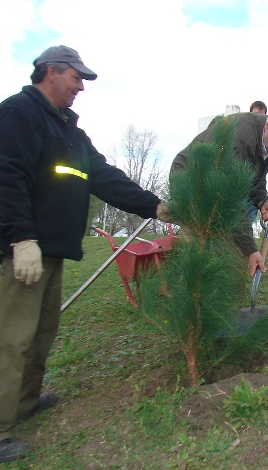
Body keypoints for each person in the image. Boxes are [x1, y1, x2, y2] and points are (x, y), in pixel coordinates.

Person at [0, 46, 167, 463]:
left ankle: (23, 403)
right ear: (51, 72)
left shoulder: (70, 132)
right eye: (77, 78)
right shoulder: (19, 114)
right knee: (11, 337)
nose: (80, 87)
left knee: (41, 331)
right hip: (22, 250)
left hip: (51, 250)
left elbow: (105, 177)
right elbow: (6, 175)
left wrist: (155, 206)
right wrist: (20, 238)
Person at [171, 110, 268, 276]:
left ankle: (222, 295)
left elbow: (254, 176)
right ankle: (187, 292)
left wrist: (262, 201)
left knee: (230, 249)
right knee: (199, 242)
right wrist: (251, 249)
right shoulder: (239, 139)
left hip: (219, 185)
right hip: (190, 178)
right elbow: (231, 200)